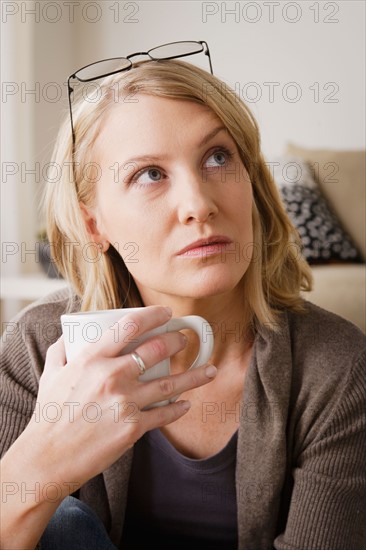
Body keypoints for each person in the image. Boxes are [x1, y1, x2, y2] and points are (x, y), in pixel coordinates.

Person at [1, 40, 365, 550]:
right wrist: (42, 462)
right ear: (93, 222)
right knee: (60, 521)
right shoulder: (37, 348)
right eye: (149, 174)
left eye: (218, 156)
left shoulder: (338, 366)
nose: (198, 203)